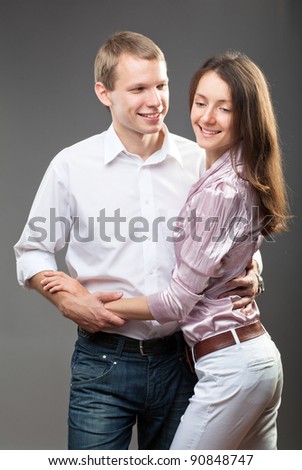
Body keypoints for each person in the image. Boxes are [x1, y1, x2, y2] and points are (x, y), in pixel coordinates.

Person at [14, 32, 261, 450]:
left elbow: (234, 237)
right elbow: (32, 250)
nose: (155, 100)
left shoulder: (200, 160)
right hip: (102, 362)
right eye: (139, 89)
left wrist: (255, 272)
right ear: (104, 93)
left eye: (161, 85)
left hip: (182, 359)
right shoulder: (72, 166)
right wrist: (63, 299)